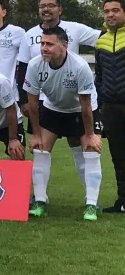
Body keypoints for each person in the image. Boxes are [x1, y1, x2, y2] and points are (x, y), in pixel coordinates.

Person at [23, 27, 102, 221]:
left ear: (64, 46)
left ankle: (91, 204)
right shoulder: (34, 65)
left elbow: (85, 106)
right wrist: (34, 134)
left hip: (81, 111)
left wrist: (90, 135)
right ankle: (40, 201)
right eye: (42, 44)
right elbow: (33, 105)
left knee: (90, 151)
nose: (44, 48)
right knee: (40, 149)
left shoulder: (79, 66)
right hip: (53, 110)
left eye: (49, 44)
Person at [95, 0, 125, 213]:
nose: (110, 15)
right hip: (111, 107)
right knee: (118, 155)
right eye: (107, 11)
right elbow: (99, 76)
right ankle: (122, 201)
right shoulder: (101, 40)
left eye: (115, 10)